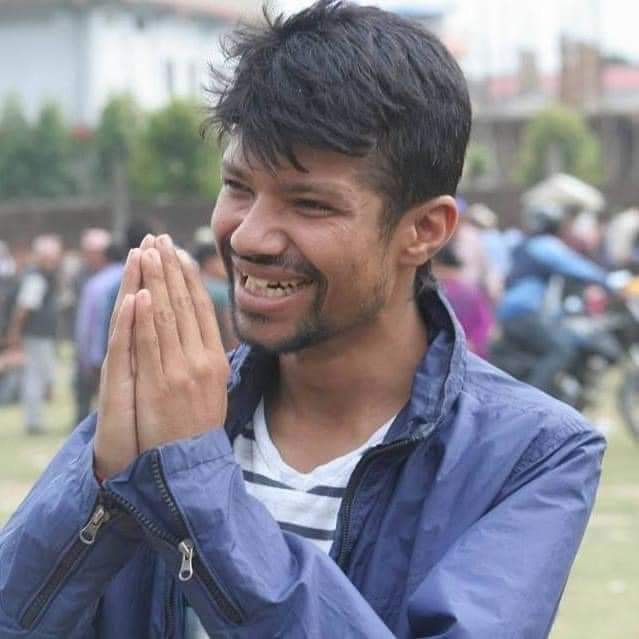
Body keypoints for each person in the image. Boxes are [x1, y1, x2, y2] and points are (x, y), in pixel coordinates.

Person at [0, 3, 604, 638]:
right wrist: (100, 487)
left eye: (310, 204)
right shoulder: (167, 410)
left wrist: (197, 486)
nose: (248, 237)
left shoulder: (531, 454)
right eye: (238, 187)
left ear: (424, 230)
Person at [497, 204, 612, 396]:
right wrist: (608, 280)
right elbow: (574, 266)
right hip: (524, 312)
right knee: (561, 348)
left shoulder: (525, 243)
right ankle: (534, 398)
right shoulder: (544, 245)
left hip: (514, 312)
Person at [5, 234, 63, 434]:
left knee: (38, 377)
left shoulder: (42, 275)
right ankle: (33, 422)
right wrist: (15, 333)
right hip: (36, 336)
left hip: (39, 335)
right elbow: (23, 308)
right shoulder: (36, 277)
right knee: (34, 378)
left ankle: (34, 420)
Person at [73, 241, 125, 425]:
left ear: (104, 257)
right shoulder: (134, 276)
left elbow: (86, 325)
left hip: (101, 353)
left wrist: (87, 357)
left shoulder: (96, 284)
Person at [432, 245, 494, 358]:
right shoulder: (472, 289)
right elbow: (486, 326)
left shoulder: (433, 288)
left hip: (440, 353)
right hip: (470, 354)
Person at [194, 242, 237, 351]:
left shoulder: (190, 284)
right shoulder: (221, 291)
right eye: (222, 260)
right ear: (210, 262)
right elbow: (231, 334)